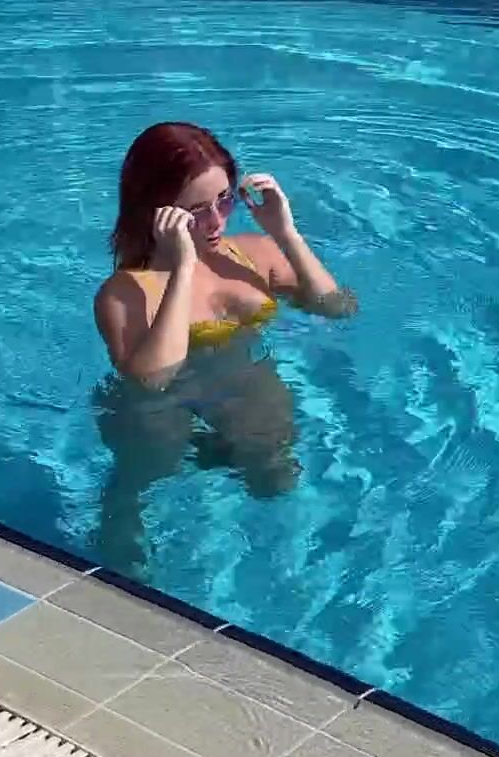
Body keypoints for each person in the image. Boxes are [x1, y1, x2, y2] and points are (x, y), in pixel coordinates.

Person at [89, 121, 355, 574]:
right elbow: (153, 379)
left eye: (225, 199)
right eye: (196, 210)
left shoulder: (253, 253)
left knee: (276, 480)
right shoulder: (124, 294)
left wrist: (285, 232)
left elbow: (337, 308)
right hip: (156, 408)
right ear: (156, 211)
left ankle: (215, 451)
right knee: (146, 476)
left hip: (239, 382)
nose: (216, 221)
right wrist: (182, 268)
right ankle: (124, 509)